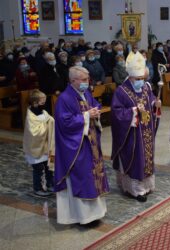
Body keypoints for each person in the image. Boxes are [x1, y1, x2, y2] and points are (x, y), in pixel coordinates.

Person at [54, 66, 109, 224]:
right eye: (84, 80)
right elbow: (64, 123)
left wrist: (96, 112)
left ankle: (96, 213)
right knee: (83, 177)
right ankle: (84, 216)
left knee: (93, 176)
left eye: (87, 79)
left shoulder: (85, 93)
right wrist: (86, 116)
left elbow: (95, 105)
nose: (87, 82)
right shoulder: (64, 98)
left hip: (90, 143)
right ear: (73, 80)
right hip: (77, 147)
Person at [111, 51, 161, 202]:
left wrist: (155, 104)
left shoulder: (146, 87)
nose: (141, 81)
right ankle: (135, 190)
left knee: (146, 157)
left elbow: (150, 101)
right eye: (138, 79)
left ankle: (147, 186)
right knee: (135, 159)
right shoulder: (121, 91)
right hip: (131, 133)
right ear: (131, 77)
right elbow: (116, 113)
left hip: (146, 130)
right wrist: (133, 112)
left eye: (143, 78)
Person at [23, 89, 54, 197]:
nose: (44, 104)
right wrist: (47, 124)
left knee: (49, 166)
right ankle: (38, 188)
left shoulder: (43, 112)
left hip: (46, 146)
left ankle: (50, 184)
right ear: (35, 102)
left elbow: (50, 120)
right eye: (42, 102)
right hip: (35, 147)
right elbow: (34, 132)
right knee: (38, 169)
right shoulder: (31, 116)